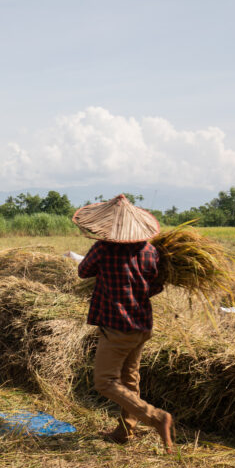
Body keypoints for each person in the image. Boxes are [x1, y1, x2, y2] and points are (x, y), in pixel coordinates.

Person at [73, 194, 175, 453]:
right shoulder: (151, 251)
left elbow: (83, 271)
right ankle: (125, 430)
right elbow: (155, 285)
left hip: (117, 326)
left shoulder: (104, 248)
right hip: (141, 325)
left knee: (104, 381)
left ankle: (155, 417)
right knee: (129, 378)